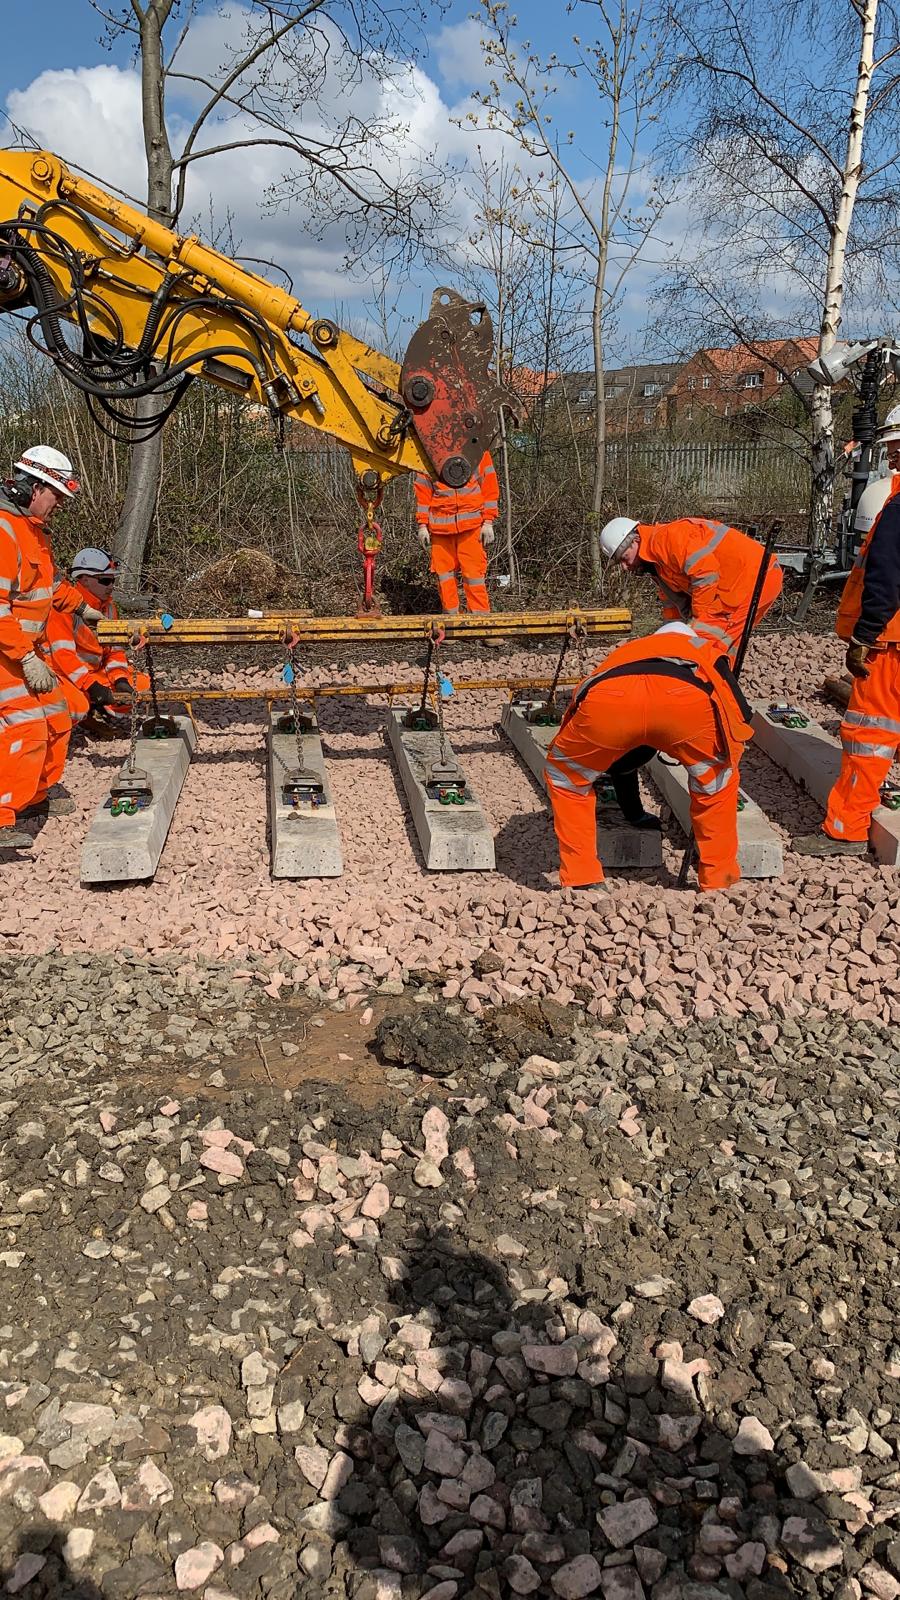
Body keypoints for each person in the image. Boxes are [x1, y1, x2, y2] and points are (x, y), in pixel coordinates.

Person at [545, 622, 754, 892]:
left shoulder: (630, 650)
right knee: (716, 787)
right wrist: (724, 760)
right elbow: (739, 711)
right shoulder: (706, 649)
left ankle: (582, 876)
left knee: (566, 779)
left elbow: (582, 700)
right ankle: (718, 878)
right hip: (687, 702)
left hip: (609, 700)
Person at [794, 413, 900, 857]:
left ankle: (847, 829)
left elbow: (886, 577)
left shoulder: (898, 507)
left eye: (896, 447)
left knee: (867, 736)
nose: (892, 455)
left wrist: (865, 635)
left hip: (890, 642)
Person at [0, 446, 102, 850]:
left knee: (59, 717)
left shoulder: (33, 531)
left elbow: (50, 585)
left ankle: (35, 795)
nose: (58, 504)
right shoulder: (4, 531)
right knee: (25, 727)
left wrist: (83, 609)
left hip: (25, 652)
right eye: (55, 495)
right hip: (7, 655)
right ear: (32, 488)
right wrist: (26, 657)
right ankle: (4, 816)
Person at [599, 513, 782, 653]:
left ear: (636, 541)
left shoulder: (667, 539)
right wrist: (669, 636)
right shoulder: (656, 563)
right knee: (711, 646)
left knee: (706, 646)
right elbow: (672, 606)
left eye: (625, 558)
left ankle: (713, 688)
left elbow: (706, 574)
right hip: (739, 585)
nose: (625, 567)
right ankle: (718, 685)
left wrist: (697, 621)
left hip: (755, 577)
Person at [45, 548, 148, 728]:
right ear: (85, 580)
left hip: (95, 673)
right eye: (105, 580)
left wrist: (120, 680)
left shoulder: (109, 608)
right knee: (75, 708)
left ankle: (97, 709)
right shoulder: (63, 608)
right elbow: (63, 657)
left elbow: (115, 652)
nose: (111, 586)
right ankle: (80, 715)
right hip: (64, 675)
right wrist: (91, 687)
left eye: (113, 580)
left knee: (142, 686)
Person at [415, 450, 499, 618]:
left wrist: (488, 521)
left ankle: (481, 621)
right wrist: (422, 525)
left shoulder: (477, 448)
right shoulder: (429, 450)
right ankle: (451, 620)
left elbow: (489, 485)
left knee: (474, 576)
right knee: (444, 577)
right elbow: (423, 491)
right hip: (440, 529)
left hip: (471, 526)